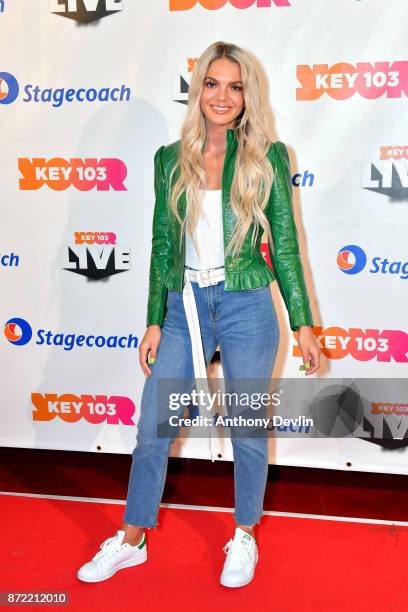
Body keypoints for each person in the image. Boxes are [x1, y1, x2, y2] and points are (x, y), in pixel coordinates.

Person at [77, 41, 320, 588]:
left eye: (235, 86)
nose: (223, 96)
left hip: (247, 305)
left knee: (247, 427)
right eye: (213, 83)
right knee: (152, 428)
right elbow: (163, 247)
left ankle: (245, 535)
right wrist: (153, 319)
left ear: (246, 95)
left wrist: (303, 322)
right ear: (198, 89)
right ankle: (133, 537)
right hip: (183, 306)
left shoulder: (268, 157)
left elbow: (284, 244)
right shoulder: (170, 159)